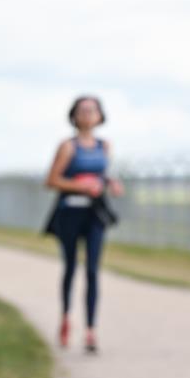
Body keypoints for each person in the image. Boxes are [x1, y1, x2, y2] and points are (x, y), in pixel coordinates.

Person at [44, 95, 124, 353]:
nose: (88, 115)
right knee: (70, 267)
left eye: (93, 110)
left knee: (92, 271)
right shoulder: (68, 147)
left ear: (100, 116)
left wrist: (110, 183)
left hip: (95, 214)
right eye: (83, 110)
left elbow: (104, 173)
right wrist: (79, 185)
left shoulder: (105, 146)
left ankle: (91, 330)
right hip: (70, 212)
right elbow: (51, 180)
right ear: (74, 116)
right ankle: (66, 318)